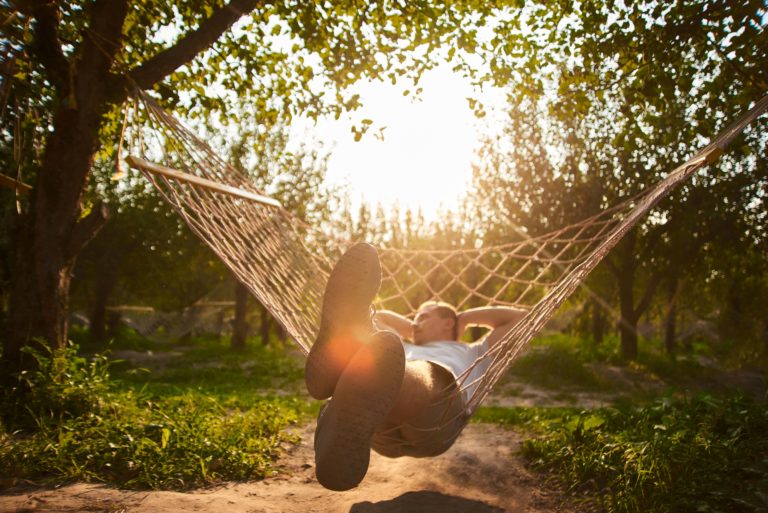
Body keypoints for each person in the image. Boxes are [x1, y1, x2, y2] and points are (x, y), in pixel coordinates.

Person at [305, 243, 527, 491]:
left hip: (439, 420)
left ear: (446, 323)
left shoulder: (475, 350)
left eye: (423, 316)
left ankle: (342, 386)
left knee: (421, 367)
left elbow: (521, 319)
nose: (415, 322)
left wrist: (462, 318)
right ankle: (347, 398)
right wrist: (413, 328)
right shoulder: (393, 345)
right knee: (376, 347)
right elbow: (381, 319)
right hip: (374, 427)